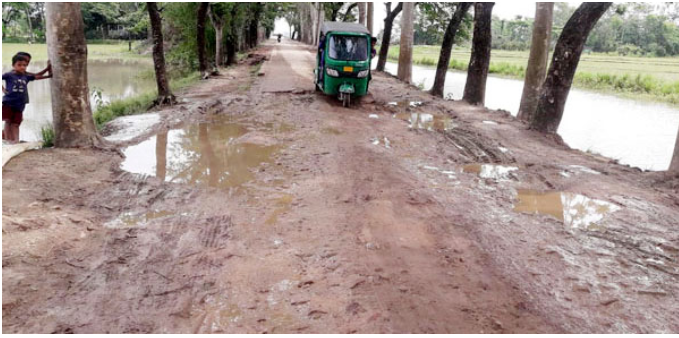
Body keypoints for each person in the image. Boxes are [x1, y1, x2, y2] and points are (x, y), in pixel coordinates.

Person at [2, 53, 52, 143]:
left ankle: (15, 140)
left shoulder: (25, 75)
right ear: (13, 65)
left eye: (25, 65)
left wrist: (48, 71)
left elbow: (37, 76)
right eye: (19, 65)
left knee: (16, 123)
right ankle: (7, 139)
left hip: (20, 104)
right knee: (8, 121)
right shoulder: (9, 75)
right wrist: (3, 89)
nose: (22, 67)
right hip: (8, 103)